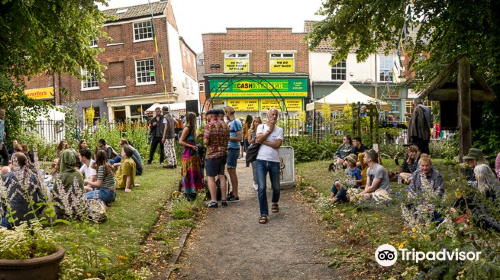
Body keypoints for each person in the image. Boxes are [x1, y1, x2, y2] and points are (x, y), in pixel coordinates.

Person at [255, 108, 284, 224]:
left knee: (276, 187)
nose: (274, 116)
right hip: (261, 161)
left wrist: (263, 141)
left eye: (276, 115)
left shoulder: (279, 130)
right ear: (267, 116)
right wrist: (269, 131)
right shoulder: (260, 127)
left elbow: (277, 144)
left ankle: (275, 202)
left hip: (274, 161)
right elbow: (258, 139)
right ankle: (263, 214)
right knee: (261, 188)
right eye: (272, 114)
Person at [0, 153, 44, 228]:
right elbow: (42, 197)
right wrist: (37, 211)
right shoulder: (34, 176)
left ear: (14, 163)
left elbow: (2, 199)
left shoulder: (6, 177)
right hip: (32, 217)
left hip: (13, 218)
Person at [453, 164, 500, 231]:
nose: (474, 176)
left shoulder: (486, 191)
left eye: (475, 174)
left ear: (481, 176)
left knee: (461, 222)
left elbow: (477, 207)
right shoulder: (494, 186)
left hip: (489, 220)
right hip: (489, 217)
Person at [203, 109, 229, 208]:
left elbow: (205, 141)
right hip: (223, 154)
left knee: (210, 177)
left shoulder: (209, 125)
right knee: (221, 176)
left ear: (210, 116)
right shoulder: (225, 125)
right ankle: (223, 199)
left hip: (212, 155)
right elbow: (227, 138)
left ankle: (214, 201)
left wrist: (205, 139)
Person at [52, 149, 86, 219]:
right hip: (80, 207)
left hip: (66, 209)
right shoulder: (78, 173)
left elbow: (55, 195)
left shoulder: (61, 176)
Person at [179, 112, 204, 200]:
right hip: (188, 153)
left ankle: (193, 191)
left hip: (193, 153)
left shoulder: (193, 129)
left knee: (193, 172)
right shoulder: (187, 128)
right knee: (188, 173)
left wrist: (200, 135)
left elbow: (192, 140)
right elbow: (180, 141)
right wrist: (191, 146)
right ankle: (187, 192)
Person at [224, 106, 242, 202]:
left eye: (225, 113)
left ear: (228, 112)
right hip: (230, 148)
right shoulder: (231, 122)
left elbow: (239, 138)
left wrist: (228, 138)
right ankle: (233, 192)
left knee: (232, 170)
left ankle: (235, 193)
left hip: (233, 148)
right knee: (230, 170)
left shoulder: (236, 122)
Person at [247, 117, 262, 188]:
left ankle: (261, 181)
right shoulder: (250, 131)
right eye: (256, 122)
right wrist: (254, 140)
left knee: (261, 167)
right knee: (255, 166)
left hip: (261, 149)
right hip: (254, 150)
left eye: (258, 122)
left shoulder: (262, 130)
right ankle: (255, 182)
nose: (257, 123)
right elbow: (249, 141)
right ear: (253, 123)